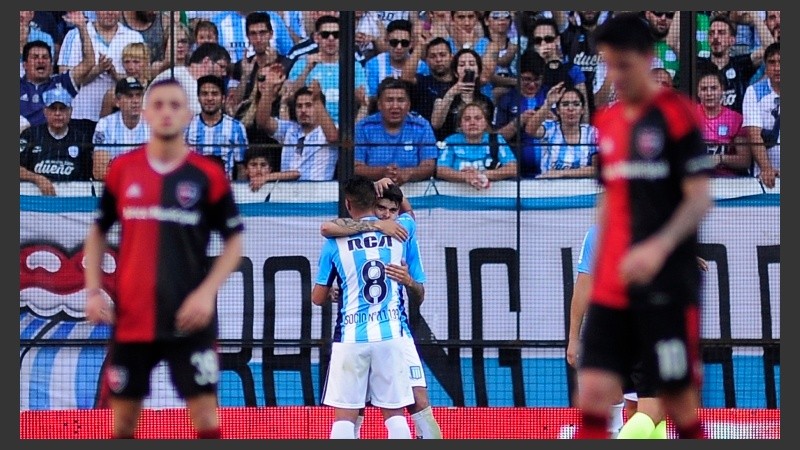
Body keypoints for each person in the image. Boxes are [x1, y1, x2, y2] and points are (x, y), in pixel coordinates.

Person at [573, 13, 714, 439]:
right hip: (615, 284)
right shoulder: (609, 123)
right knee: (594, 391)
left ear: (647, 59)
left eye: (623, 65)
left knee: (675, 402)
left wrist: (662, 246)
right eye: (608, 65)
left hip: (665, 285)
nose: (614, 75)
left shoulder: (678, 117)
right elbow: (609, 197)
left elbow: (699, 199)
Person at [82, 78, 245, 439]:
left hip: (190, 320)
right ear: (144, 113)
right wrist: (93, 291)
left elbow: (234, 242)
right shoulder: (123, 170)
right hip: (133, 317)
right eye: (158, 105)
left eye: (175, 105)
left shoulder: (208, 175)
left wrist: (206, 293)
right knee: (123, 423)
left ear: (188, 114)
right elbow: (96, 233)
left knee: (205, 419)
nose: (166, 112)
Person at [319, 178, 443, 439]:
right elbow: (330, 227)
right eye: (381, 208)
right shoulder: (381, 228)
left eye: (392, 210)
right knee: (379, 411)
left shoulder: (402, 231)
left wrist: (409, 281)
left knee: (417, 400)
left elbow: (420, 295)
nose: (387, 214)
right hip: (382, 335)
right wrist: (378, 223)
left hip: (383, 332)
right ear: (372, 205)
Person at [354, 78, 438, 186]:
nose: (395, 106)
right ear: (379, 104)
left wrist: (408, 173)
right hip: (372, 192)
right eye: (389, 100)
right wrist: (382, 172)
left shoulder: (422, 126)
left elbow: (429, 166)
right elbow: (356, 167)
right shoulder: (363, 127)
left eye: (401, 100)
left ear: (408, 104)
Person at [20, 12, 95, 129]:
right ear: (24, 65)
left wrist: (82, 27)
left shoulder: (62, 82)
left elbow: (89, 62)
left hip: (53, 143)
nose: (41, 61)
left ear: (51, 63)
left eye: (45, 57)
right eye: (35, 57)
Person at [256, 82, 339, 181]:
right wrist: (269, 87)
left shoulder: (328, 129)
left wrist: (317, 100)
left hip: (318, 193)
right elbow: (262, 122)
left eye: (308, 105)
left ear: (319, 106)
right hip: (286, 193)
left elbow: (333, 137)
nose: (303, 110)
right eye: (299, 106)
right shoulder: (289, 129)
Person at [19, 87, 95, 196]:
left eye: (62, 108)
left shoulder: (81, 139)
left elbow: (90, 174)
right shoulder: (30, 135)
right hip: (34, 196)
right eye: (53, 108)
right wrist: (37, 178)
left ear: (70, 112)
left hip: (72, 197)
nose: (58, 113)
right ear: (45, 111)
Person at [524, 84, 598, 179]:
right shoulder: (550, 128)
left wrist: (562, 173)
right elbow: (530, 130)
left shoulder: (591, 133)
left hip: (582, 190)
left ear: (582, 110)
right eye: (565, 104)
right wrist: (548, 104)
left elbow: (596, 169)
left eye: (576, 104)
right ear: (558, 110)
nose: (570, 109)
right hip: (548, 188)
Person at [436, 102, 517, 189]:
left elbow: (513, 168)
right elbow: (441, 170)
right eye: (467, 119)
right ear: (460, 124)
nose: (472, 123)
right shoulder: (451, 140)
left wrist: (482, 174)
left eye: (478, 118)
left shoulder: (496, 139)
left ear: (486, 123)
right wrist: (466, 177)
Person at [185, 75, 249, 180]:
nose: (209, 98)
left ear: (223, 98)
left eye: (214, 94)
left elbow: (241, 168)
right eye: (204, 94)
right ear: (198, 98)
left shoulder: (236, 128)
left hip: (224, 188)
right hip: (195, 189)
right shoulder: (187, 127)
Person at [430, 48, 495, 141]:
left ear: (478, 72)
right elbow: (436, 124)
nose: (467, 67)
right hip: (450, 146)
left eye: (472, 64)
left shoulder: (486, 101)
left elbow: (489, 132)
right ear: (456, 72)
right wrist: (451, 93)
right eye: (462, 65)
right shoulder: (442, 95)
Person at [92, 77, 149, 181]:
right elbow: (99, 171)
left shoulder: (154, 123)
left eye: (138, 95)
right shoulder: (105, 125)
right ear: (118, 101)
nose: (135, 101)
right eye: (130, 96)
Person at [696, 71, 751, 177]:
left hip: (727, 181)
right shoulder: (689, 115)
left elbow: (744, 160)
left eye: (713, 88)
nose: (709, 93)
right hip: (697, 179)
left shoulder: (735, 119)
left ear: (722, 90)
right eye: (704, 89)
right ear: (698, 92)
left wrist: (720, 159)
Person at [742, 42, 779, 189]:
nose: (777, 68)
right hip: (765, 179)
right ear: (765, 66)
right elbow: (754, 134)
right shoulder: (754, 92)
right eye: (772, 62)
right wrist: (767, 168)